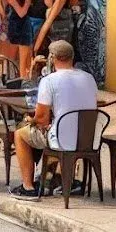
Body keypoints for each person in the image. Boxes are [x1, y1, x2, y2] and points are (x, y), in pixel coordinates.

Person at [9, 39, 99, 200]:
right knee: (61, 128)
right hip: (88, 139)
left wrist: (31, 120)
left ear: (52, 58)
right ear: (72, 57)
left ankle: (28, 187)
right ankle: (63, 180)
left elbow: (41, 119)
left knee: (20, 134)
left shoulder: (49, 81)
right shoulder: (89, 78)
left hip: (62, 140)